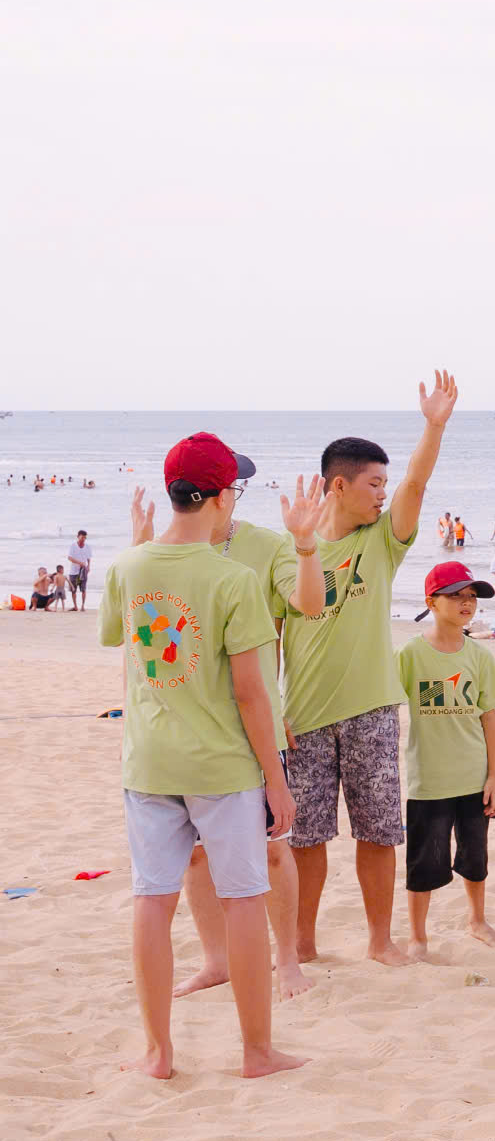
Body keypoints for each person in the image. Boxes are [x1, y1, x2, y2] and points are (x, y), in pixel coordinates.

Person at [102, 435, 309, 1081]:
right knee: (243, 899)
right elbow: (251, 693)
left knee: (152, 898)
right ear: (222, 497)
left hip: (149, 762)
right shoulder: (232, 578)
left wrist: (139, 546)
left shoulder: (129, 565)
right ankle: (256, 1052)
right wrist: (276, 780)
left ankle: (158, 1053)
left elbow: (122, 643)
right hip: (222, 767)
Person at [279, 371, 457, 969]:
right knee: (305, 837)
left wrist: (433, 426)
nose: (382, 493)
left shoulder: (382, 540)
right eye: (372, 483)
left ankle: (380, 941)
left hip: (372, 711)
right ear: (339, 485)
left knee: (378, 830)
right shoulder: (290, 550)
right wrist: (274, 709)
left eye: (384, 483)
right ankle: (303, 943)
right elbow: (271, 636)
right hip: (304, 718)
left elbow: (416, 482)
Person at [399, 562, 495, 955]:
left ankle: (477, 920)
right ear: (431, 602)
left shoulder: (478, 656)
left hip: (473, 777)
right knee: (424, 862)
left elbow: (488, 717)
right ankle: (417, 937)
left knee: (475, 856)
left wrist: (493, 776)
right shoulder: (411, 654)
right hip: (428, 780)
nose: (467, 603)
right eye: (456, 595)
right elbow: (384, 704)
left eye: (472, 596)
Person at [66, 530, 91, 609]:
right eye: (82, 537)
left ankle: (83, 606)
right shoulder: (73, 546)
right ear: (78, 537)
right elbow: (69, 558)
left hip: (83, 570)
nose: (83, 539)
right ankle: (75, 606)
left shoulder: (87, 547)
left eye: (85, 537)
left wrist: (88, 566)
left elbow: (88, 558)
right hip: (73, 571)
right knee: (73, 589)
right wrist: (80, 563)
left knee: (83, 589)